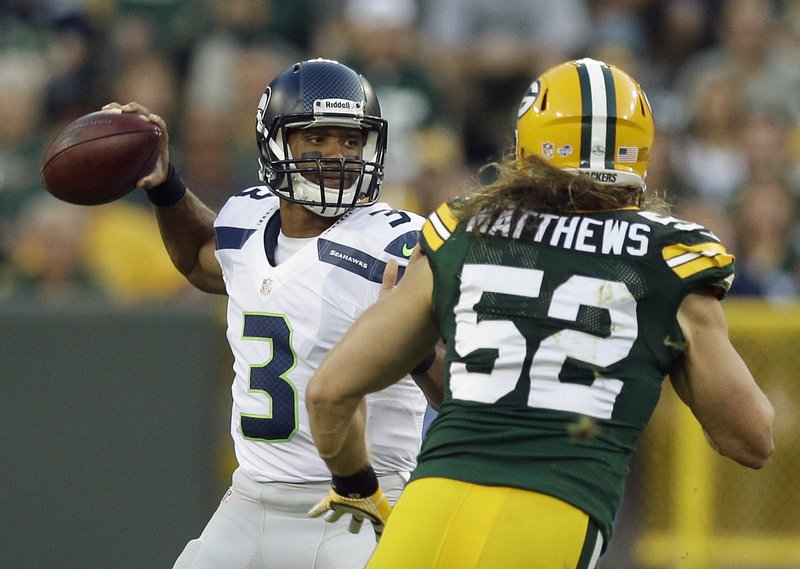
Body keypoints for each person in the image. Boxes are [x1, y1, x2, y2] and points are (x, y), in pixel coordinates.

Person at [305, 58, 775, 568]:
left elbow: (329, 392)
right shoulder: (669, 262)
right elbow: (751, 438)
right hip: (554, 514)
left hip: (430, 507)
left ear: (528, 141)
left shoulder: (464, 230)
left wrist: (356, 484)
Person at [103, 58, 442, 569]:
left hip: (362, 502)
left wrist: (407, 347)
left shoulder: (399, 244)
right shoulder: (247, 214)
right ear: (275, 144)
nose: (337, 156)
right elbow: (202, 263)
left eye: (351, 141)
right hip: (251, 497)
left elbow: (460, 393)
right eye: (317, 139)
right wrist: (166, 184)